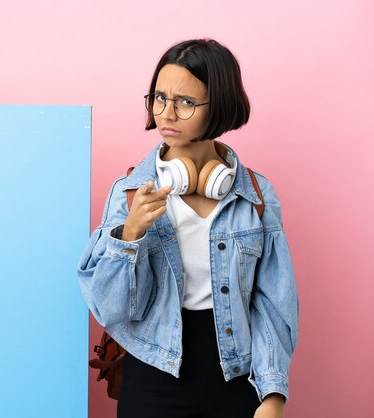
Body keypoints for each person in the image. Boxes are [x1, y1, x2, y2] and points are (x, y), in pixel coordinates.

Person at [78, 39, 299, 418]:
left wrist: (272, 392)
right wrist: (130, 236)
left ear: (220, 105)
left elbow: (273, 304)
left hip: (236, 374)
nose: (167, 114)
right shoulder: (129, 194)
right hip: (153, 372)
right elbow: (111, 311)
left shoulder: (256, 196)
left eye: (185, 102)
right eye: (159, 98)